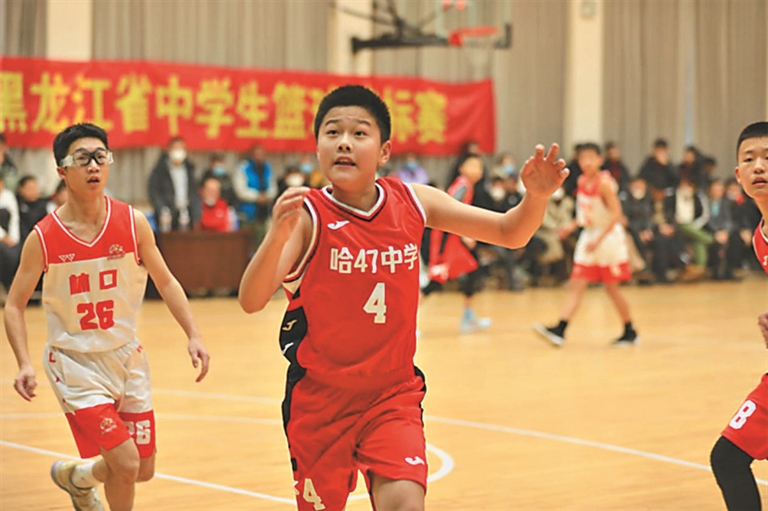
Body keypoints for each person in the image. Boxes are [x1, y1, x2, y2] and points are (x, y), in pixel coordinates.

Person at [237, 85, 568, 511]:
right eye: (332, 132)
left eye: (359, 133)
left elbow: (510, 231)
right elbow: (251, 299)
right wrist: (276, 235)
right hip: (320, 402)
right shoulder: (307, 217)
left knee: (407, 504)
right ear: (318, 147)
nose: (344, 142)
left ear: (384, 151)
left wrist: (536, 198)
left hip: (391, 395)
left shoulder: (414, 201)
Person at [3, 123, 210, 511]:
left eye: (100, 157)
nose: (94, 166)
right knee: (126, 463)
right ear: (62, 171)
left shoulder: (133, 222)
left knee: (142, 469)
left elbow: (166, 281)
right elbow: (13, 305)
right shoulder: (43, 237)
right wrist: (24, 362)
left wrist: (194, 334)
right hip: (74, 363)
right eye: (82, 159)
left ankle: (78, 478)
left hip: (127, 356)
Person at [710, 122, 768, 511]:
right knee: (728, 457)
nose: (758, 166)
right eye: (749, 159)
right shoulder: (760, 237)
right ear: (737, 174)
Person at [534, 142, 638, 346]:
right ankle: (560, 329)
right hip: (589, 236)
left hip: (607, 238)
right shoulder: (582, 181)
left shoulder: (605, 183)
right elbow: (585, 213)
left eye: (592, 158)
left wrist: (599, 240)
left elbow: (616, 214)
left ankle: (630, 329)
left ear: (600, 160)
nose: (587, 162)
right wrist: (571, 227)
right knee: (577, 283)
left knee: (612, 288)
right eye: (583, 158)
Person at [422, 156, 494, 330]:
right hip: (445, 242)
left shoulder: (467, 186)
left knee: (473, 270)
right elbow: (451, 212)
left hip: (454, 242)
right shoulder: (462, 185)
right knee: (435, 283)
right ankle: (404, 321)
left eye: (479, 167)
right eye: (473, 165)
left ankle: (468, 317)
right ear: (462, 168)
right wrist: (465, 235)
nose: (477, 169)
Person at [147, 137, 201, 231]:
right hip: (167, 214)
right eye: (176, 148)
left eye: (181, 148)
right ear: (169, 150)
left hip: (186, 214)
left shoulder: (189, 169)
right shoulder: (160, 169)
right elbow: (154, 192)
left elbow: (194, 193)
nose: (178, 152)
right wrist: (162, 209)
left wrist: (196, 214)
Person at [233, 143, 276, 247]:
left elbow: (273, 188)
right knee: (245, 246)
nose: (259, 156)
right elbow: (240, 190)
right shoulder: (243, 168)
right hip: (247, 214)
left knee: (262, 245)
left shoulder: (267, 168)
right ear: (252, 154)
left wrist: (266, 196)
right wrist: (257, 197)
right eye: (257, 154)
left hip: (263, 214)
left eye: (262, 154)